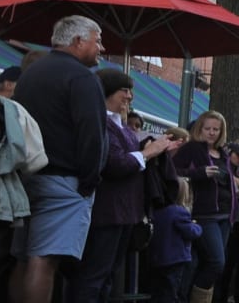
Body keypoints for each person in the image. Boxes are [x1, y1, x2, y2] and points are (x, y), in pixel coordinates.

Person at [8, 15, 108, 303]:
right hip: (64, 181)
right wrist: (90, 180)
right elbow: (92, 133)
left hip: (27, 177)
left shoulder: (32, 73)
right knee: (44, 260)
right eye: (97, 40)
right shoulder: (82, 78)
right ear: (78, 41)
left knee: (24, 258)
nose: (101, 47)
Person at [65, 68, 178, 302]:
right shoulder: (100, 123)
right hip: (107, 212)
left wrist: (152, 148)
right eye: (124, 90)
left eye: (130, 91)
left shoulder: (122, 126)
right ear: (107, 91)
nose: (129, 96)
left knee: (108, 277)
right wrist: (148, 152)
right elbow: (114, 163)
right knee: (93, 276)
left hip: (126, 213)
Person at [171, 111, 237, 302]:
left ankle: (188, 296)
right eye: (207, 128)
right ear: (200, 128)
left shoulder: (223, 152)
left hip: (225, 215)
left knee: (201, 262)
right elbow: (171, 170)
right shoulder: (192, 148)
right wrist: (199, 173)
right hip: (204, 214)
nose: (211, 133)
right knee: (217, 262)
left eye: (216, 129)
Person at [150, 177, 202, 303]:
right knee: (172, 290)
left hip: (158, 258)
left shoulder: (158, 211)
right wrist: (197, 225)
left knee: (159, 291)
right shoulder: (179, 212)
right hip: (176, 259)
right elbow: (192, 232)